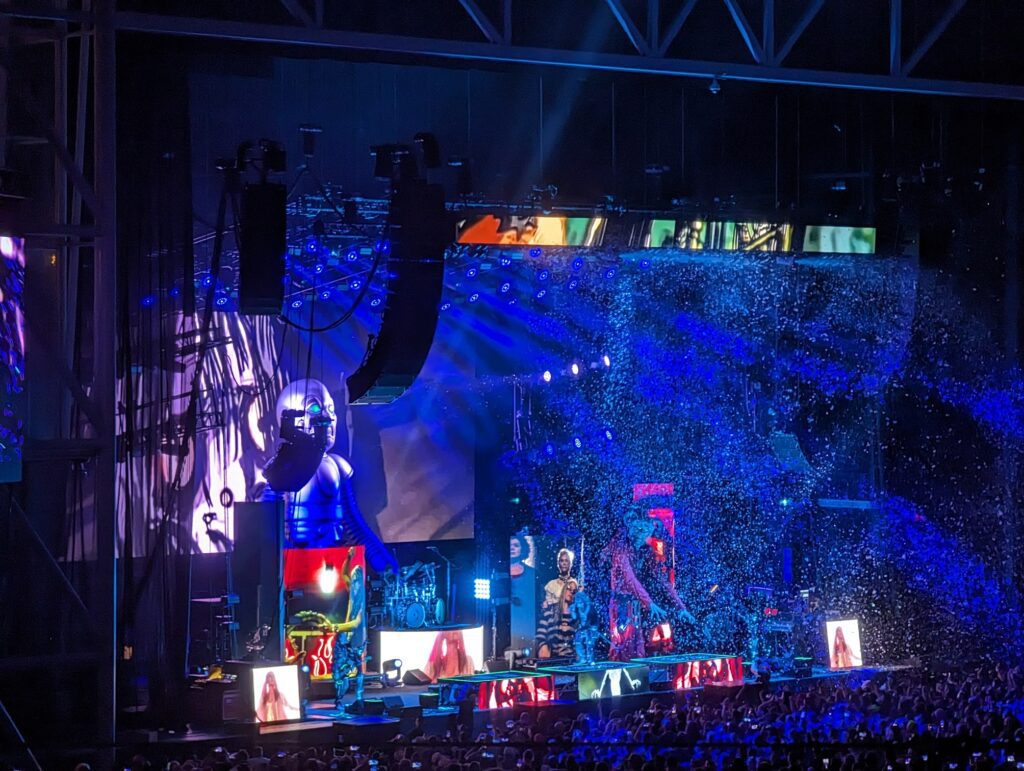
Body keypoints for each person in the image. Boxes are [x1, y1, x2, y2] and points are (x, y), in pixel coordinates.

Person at [264, 378, 396, 573]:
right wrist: (283, 563)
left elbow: (354, 526)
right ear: (291, 418)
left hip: (335, 560)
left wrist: (386, 567)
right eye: (315, 408)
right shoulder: (281, 468)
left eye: (331, 409)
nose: (328, 418)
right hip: (296, 564)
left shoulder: (338, 466)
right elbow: (267, 525)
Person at [605, 506, 696, 661]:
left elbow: (662, 580)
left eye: (647, 533)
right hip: (621, 604)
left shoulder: (645, 550)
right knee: (623, 643)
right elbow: (630, 579)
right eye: (642, 533)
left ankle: (637, 672)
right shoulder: (621, 549)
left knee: (636, 643)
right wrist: (649, 603)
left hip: (635, 603)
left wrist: (681, 607)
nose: (645, 537)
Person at [332, 551, 367, 712]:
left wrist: (338, 627)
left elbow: (356, 622)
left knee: (358, 669)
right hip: (346, 638)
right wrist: (348, 557)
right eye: (353, 579)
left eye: (357, 580)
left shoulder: (361, 599)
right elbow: (344, 574)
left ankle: (359, 700)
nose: (354, 582)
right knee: (340, 670)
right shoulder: (352, 589)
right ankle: (339, 699)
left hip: (357, 639)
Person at [536, 548, 578, 658]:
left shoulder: (574, 584)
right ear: (558, 563)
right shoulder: (551, 585)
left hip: (569, 618)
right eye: (561, 560)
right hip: (554, 619)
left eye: (566, 561)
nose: (564, 563)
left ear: (570, 563)